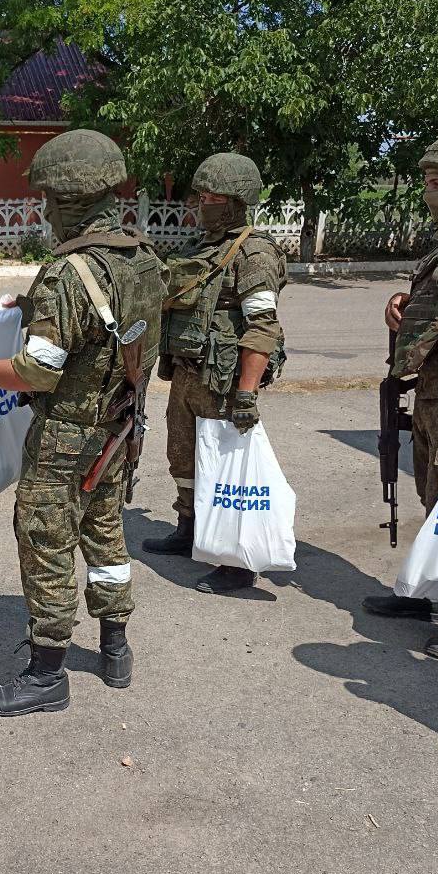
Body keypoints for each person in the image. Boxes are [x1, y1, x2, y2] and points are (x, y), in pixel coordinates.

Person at [0, 129, 167, 716]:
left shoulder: (70, 272)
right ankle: (115, 645)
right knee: (106, 532)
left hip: (67, 433)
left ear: (69, 199)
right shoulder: (141, 256)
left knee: (45, 540)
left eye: (47, 199)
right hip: (120, 428)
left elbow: (36, 372)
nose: (42, 210)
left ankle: (46, 673)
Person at [142, 152, 287, 594]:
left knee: (226, 470)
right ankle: (189, 526)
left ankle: (237, 561)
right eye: (199, 196)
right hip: (187, 375)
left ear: (236, 201)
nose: (200, 204)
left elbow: (263, 327)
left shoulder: (254, 253)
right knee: (183, 459)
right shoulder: (198, 249)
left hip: (223, 382)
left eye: (211, 197)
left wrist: (246, 395)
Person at [363, 131, 438, 659]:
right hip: (435, 394)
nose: (429, 195)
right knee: (434, 498)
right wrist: (401, 303)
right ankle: (429, 590)